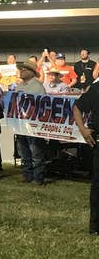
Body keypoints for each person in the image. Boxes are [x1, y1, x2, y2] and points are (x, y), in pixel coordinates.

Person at [71, 80, 99, 234]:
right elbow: (77, 107)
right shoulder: (96, 89)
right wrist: (82, 129)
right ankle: (95, 227)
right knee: (98, 186)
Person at [15, 60, 46, 185]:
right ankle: (28, 175)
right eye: (21, 69)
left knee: (35, 151)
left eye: (24, 69)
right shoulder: (19, 86)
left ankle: (37, 177)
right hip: (21, 123)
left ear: (32, 72)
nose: (21, 71)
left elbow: (42, 106)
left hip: (33, 124)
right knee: (24, 151)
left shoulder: (37, 87)